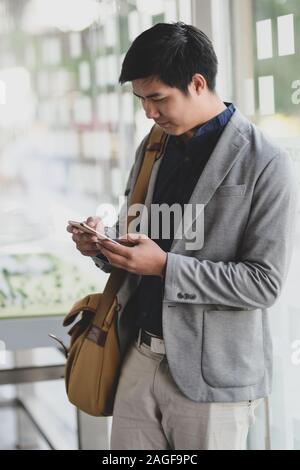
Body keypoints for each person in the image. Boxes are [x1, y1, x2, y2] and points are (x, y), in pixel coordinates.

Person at [67, 22, 298, 450]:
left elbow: (263, 284)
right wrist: (104, 247)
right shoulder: (153, 146)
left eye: (157, 98)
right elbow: (141, 238)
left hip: (213, 378)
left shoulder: (267, 161)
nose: (149, 113)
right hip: (138, 357)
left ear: (197, 83)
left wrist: (166, 267)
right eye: (142, 100)